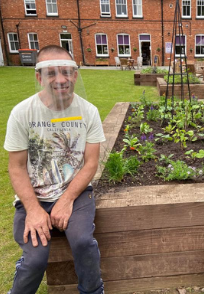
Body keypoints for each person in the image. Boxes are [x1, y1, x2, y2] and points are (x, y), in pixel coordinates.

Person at [4, 45, 105, 294]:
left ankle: (93, 291)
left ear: (75, 75)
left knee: (83, 242)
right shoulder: (22, 113)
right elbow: (16, 168)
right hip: (35, 194)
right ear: (39, 77)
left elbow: (90, 163)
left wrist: (67, 199)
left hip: (76, 191)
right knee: (36, 258)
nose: (60, 79)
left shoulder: (89, 112)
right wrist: (33, 210)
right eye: (51, 73)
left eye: (66, 72)